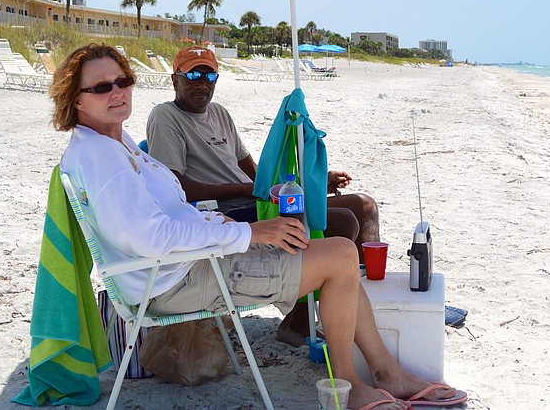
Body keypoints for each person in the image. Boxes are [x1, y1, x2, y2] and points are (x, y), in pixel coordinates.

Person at [51, 44, 467, 410]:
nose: (117, 92)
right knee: (340, 255)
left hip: (186, 262)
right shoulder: (104, 159)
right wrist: (250, 232)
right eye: (101, 87)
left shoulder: (110, 144)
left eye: (122, 81)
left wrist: (224, 221)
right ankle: (356, 384)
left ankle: (382, 372)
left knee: (338, 247)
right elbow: (153, 237)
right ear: (77, 100)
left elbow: (168, 213)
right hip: (177, 279)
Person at [146, 46, 380, 346]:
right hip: (226, 215)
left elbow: (255, 172)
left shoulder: (219, 113)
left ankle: (369, 313)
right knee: (343, 222)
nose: (201, 83)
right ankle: (297, 322)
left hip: (253, 200)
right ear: (174, 79)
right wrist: (245, 189)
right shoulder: (166, 116)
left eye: (209, 75)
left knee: (363, 206)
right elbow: (175, 187)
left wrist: (314, 184)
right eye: (192, 75)